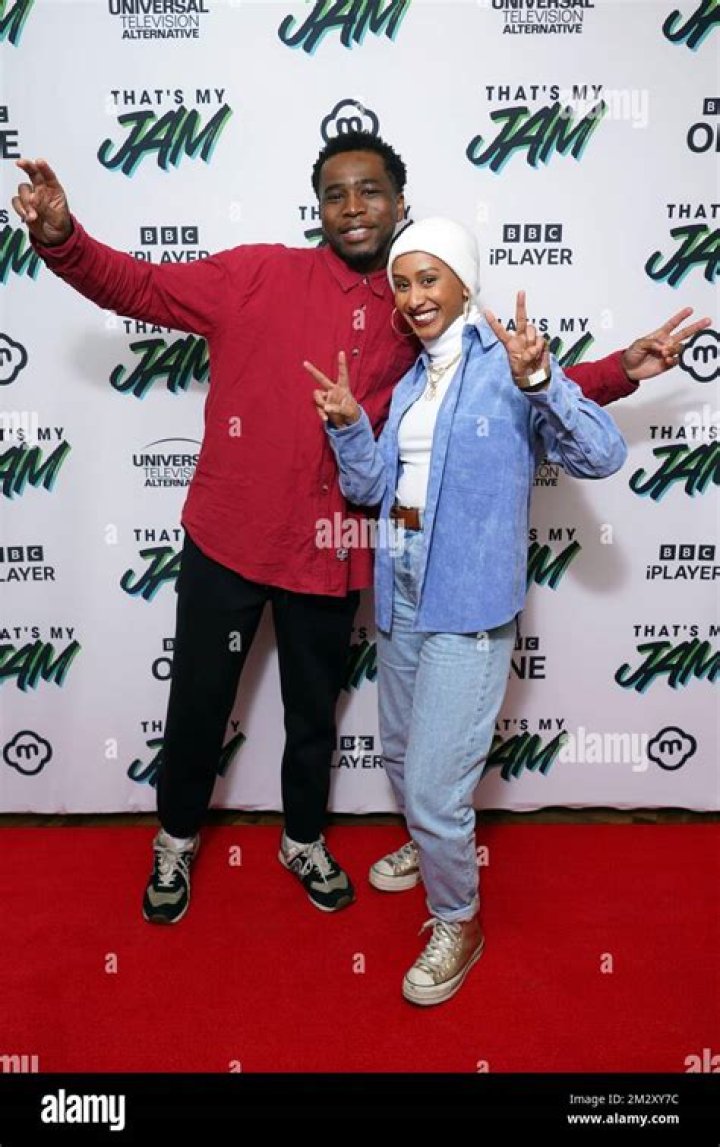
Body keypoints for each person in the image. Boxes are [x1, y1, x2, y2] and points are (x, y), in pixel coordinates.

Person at [12, 134, 709, 928]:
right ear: (317, 208)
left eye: (370, 191)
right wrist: (63, 238)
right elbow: (138, 286)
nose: (353, 207)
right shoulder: (255, 274)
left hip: (333, 550)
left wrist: (618, 370)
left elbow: (512, 386)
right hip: (228, 537)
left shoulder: (420, 306)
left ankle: (303, 838)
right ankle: (174, 838)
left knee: (315, 713)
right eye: (335, 194)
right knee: (199, 703)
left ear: (400, 203)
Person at [306, 217, 627, 1005]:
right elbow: (371, 489)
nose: (414, 297)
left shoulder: (508, 367)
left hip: (468, 601)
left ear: (463, 281)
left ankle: (460, 918)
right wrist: (350, 427)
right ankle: (428, 847)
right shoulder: (411, 382)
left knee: (433, 785)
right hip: (401, 585)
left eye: (429, 279)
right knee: (399, 751)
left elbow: (603, 455)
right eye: (402, 283)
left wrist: (543, 381)